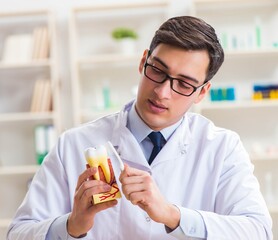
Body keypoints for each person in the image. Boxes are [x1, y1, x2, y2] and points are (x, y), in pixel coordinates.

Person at [7, 16, 272, 240]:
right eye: (157, 70)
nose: (162, 92)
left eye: (184, 84)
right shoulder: (73, 144)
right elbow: (18, 233)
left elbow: (258, 231)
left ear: (202, 93)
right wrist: (72, 226)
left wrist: (172, 215)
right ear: (143, 61)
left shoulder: (222, 148)